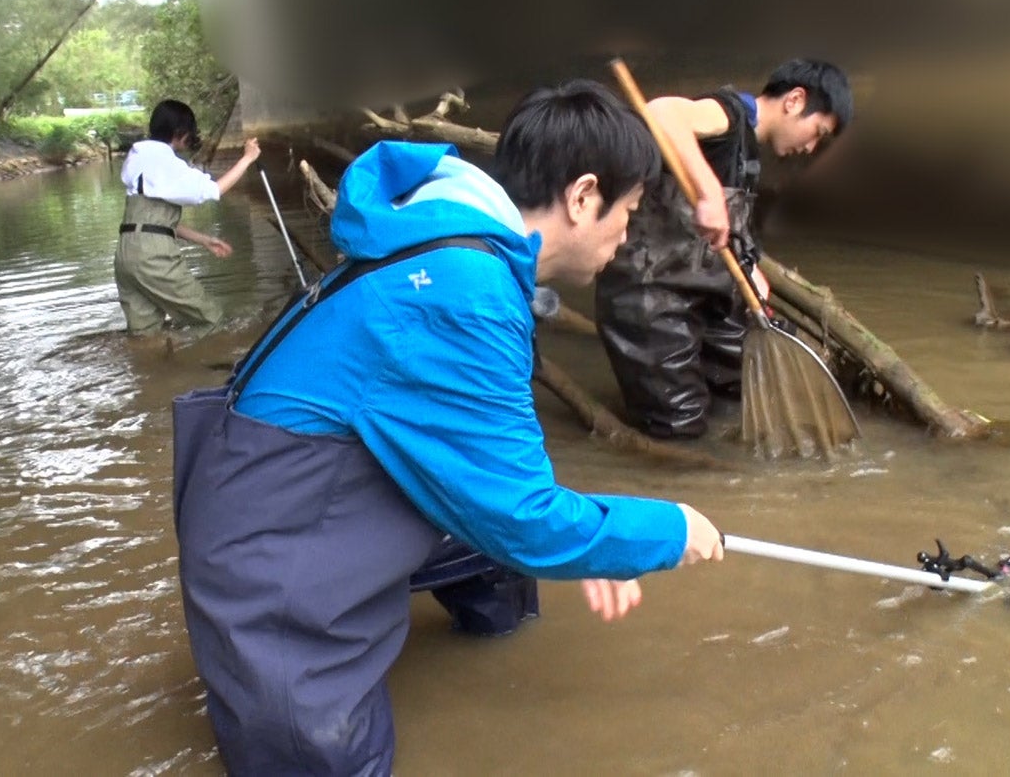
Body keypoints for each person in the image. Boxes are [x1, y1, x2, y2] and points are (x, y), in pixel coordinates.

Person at [171, 79, 726, 775]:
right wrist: (661, 531)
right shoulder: (465, 289)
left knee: (499, 549)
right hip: (268, 553)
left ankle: (493, 633)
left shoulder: (464, 249)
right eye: (631, 212)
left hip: (319, 489)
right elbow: (523, 518)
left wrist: (590, 538)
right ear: (584, 197)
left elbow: (496, 479)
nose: (627, 235)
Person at [594, 59, 853, 439]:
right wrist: (710, 192)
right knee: (679, 426)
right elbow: (661, 113)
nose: (811, 147)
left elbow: (730, 234)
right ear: (795, 100)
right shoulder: (729, 113)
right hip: (653, 300)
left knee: (742, 385)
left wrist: (755, 278)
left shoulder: (747, 153)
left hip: (703, 298)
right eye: (817, 132)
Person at [113, 99, 262, 336]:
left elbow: (151, 222)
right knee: (211, 319)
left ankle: (151, 370)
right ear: (180, 134)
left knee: (145, 333)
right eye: (190, 134)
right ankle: (203, 365)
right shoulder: (167, 163)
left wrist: (203, 240)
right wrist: (247, 159)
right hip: (153, 257)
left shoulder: (137, 156)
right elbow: (214, 190)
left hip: (125, 253)